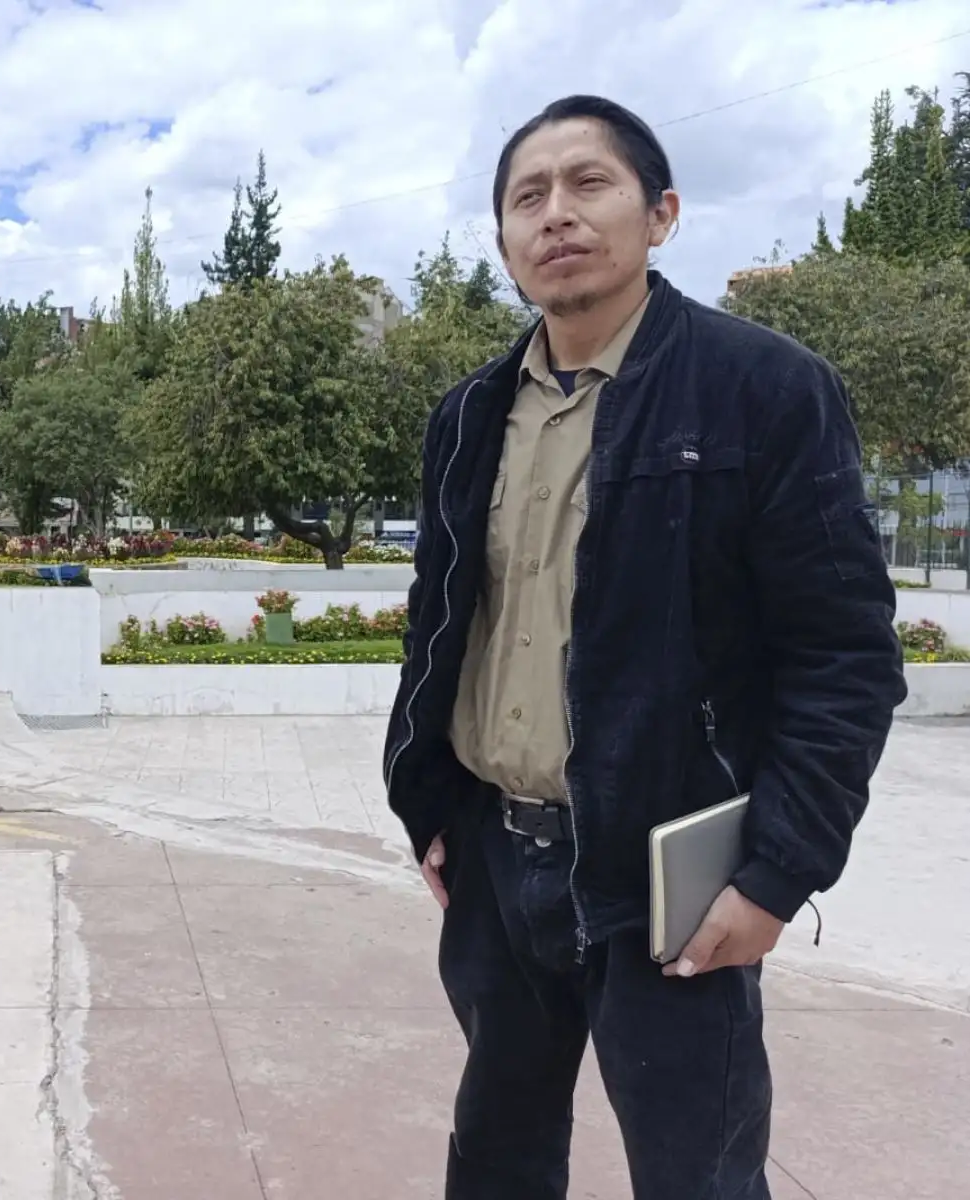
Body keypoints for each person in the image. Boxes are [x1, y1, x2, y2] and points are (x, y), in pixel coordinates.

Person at [381, 96, 905, 1198]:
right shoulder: (469, 413)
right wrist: (426, 797)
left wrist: (775, 875)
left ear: (661, 213)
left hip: (665, 876)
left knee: (697, 1172)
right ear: (504, 243)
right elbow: (442, 618)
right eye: (529, 197)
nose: (556, 216)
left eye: (590, 184)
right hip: (493, 859)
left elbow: (845, 658)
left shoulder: (764, 388)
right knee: (497, 1155)